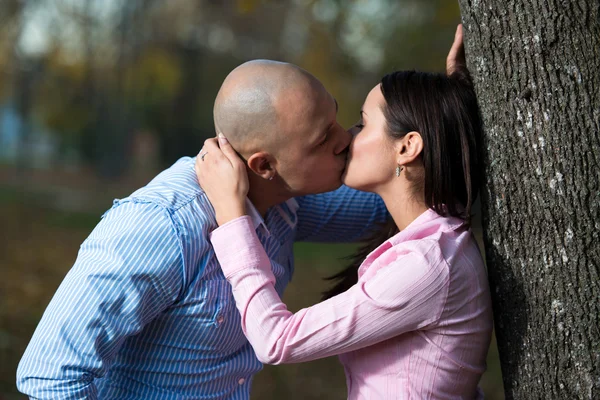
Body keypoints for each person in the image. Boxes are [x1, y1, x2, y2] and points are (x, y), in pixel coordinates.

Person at [17, 27, 467, 399]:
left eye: (337, 118)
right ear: (264, 165)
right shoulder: (161, 227)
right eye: (321, 138)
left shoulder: (284, 201)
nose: (345, 138)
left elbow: (409, 199)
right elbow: (49, 375)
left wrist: (441, 118)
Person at [195, 62, 493, 397]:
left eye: (363, 124)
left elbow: (276, 341)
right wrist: (455, 88)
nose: (347, 137)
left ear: (407, 147)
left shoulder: (427, 265)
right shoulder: (437, 240)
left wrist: (232, 215)